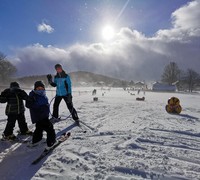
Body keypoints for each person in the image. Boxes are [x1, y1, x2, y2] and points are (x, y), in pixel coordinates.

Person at [26, 81, 56, 148]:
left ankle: (36, 140)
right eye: (38, 88)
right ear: (35, 89)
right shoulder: (33, 95)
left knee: (39, 128)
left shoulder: (43, 94)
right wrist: (31, 101)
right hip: (40, 116)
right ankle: (51, 142)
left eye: (42, 88)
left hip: (43, 115)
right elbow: (28, 105)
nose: (40, 90)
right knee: (50, 128)